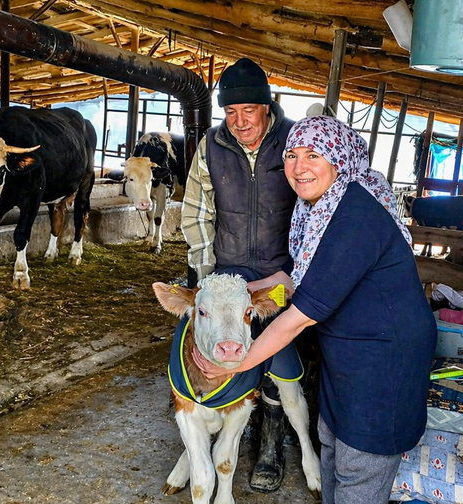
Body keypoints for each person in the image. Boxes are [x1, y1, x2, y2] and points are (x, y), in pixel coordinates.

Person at [194, 115, 437, 504]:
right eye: (291, 155)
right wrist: (230, 290)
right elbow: (296, 276)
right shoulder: (319, 209)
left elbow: (298, 316)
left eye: (313, 155)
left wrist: (239, 364)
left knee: (360, 463)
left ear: (338, 158)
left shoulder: (355, 216)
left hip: (384, 362)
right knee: (331, 445)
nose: (298, 166)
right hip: (349, 353)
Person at [180, 56, 300, 493]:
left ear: (267, 106)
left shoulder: (293, 141)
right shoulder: (212, 145)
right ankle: (206, 431)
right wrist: (208, 274)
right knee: (219, 350)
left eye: (248, 110)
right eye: (230, 112)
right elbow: (195, 210)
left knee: (277, 358)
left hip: (278, 274)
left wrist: (295, 271)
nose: (239, 121)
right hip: (229, 272)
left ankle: (270, 443)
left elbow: (312, 205)